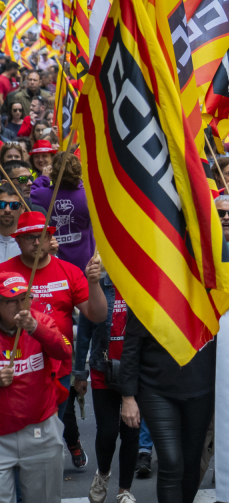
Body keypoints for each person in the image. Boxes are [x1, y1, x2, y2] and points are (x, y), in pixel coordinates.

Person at [0, 211, 104, 468]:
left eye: (43, 236)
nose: (37, 242)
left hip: (58, 369)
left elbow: (97, 315)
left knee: (44, 444)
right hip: (15, 370)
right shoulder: (3, 272)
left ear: (50, 238)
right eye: (30, 238)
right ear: (18, 240)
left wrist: (94, 284)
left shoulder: (69, 271)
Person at [118, 306, 215, 503]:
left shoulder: (211, 288)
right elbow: (131, 346)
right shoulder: (147, 290)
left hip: (201, 391)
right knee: (171, 461)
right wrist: (128, 397)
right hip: (156, 389)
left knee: (191, 463)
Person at [0, 272, 72, 503]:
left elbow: (64, 352)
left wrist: (35, 328)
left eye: (25, 298)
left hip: (40, 428)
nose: (21, 306)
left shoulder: (42, 322)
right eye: (12, 300)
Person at [81, 263, 139, 503]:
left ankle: (124, 490)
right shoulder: (97, 287)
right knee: (107, 433)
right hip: (102, 370)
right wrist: (78, 374)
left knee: (131, 432)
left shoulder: (140, 288)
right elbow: (84, 332)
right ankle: (103, 474)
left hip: (134, 372)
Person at [31, 151, 93, 272]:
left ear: (53, 173)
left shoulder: (42, 196)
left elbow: (28, 195)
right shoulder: (87, 196)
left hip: (54, 265)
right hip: (84, 265)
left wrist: (43, 178)